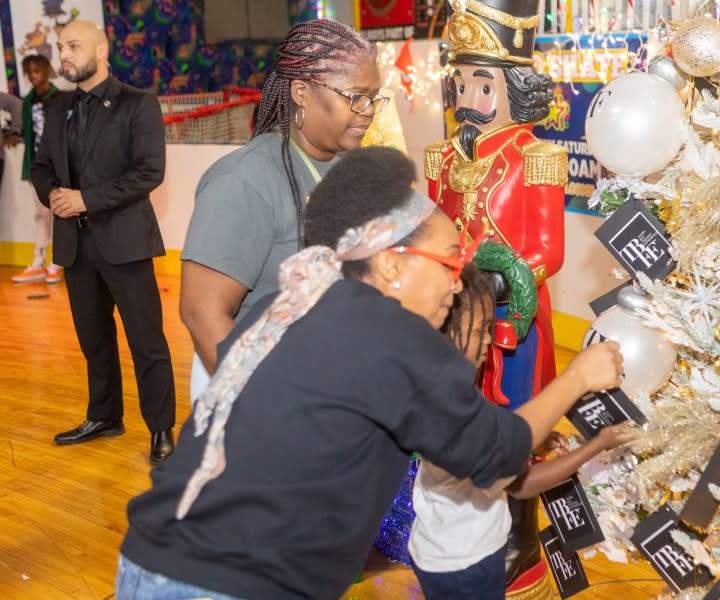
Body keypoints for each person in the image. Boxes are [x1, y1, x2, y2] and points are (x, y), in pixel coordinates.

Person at [116, 147, 624, 600]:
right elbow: (496, 453)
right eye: (449, 262)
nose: (456, 285)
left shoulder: (284, 303)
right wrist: (579, 377)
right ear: (390, 265)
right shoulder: (392, 336)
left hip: (149, 560)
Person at [425, 0, 566, 592]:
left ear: (515, 88)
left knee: (517, 425)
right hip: (456, 315)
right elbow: (436, 228)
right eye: (460, 84)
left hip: (515, 324)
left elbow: (548, 252)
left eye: (483, 85)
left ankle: (520, 538)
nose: (467, 99)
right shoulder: (445, 158)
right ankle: (459, 527)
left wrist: (504, 280)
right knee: (459, 424)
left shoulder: (537, 157)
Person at [180, 19, 387, 402]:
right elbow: (201, 313)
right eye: (355, 97)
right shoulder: (242, 181)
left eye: (374, 97)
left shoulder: (345, 169)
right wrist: (263, 410)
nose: (368, 111)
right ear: (301, 92)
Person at [409, 265, 634, 599]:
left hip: (435, 551)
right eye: (481, 329)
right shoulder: (454, 413)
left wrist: (528, 439)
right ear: (447, 331)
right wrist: (595, 443)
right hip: (465, 564)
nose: (489, 340)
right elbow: (523, 485)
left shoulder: (441, 392)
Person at [30, 20, 176, 464]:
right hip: (76, 247)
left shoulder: (138, 104)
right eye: (60, 47)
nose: (64, 54)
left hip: (125, 243)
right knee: (94, 340)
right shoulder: (57, 109)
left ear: (102, 48)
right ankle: (105, 416)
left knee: (146, 342)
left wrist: (85, 199)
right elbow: (40, 166)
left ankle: (161, 429)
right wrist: (51, 193)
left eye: (73, 45)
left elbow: (149, 172)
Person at [10, 54, 64, 284]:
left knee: (60, 213)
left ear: (46, 70)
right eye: (29, 72)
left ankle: (58, 263)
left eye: (37, 70)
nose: (33, 76)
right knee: (41, 214)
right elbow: (28, 134)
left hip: (59, 166)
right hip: (38, 166)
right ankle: (38, 262)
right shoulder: (28, 102)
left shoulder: (60, 98)